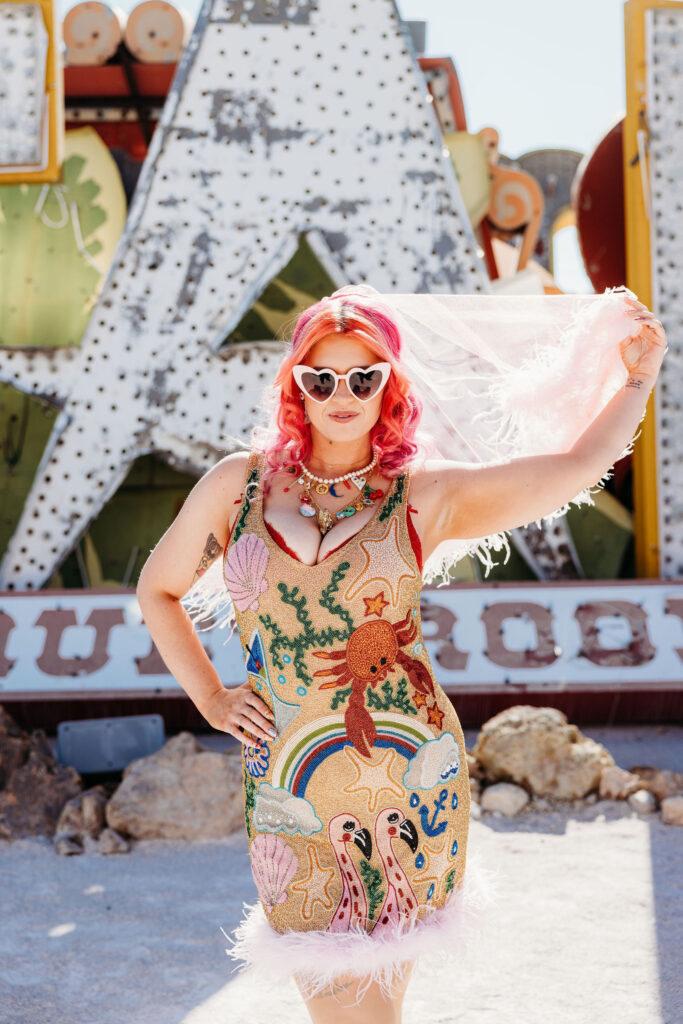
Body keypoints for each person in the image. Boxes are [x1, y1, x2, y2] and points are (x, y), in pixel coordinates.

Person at [136, 287, 666, 1023]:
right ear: (296, 384)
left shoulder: (420, 498)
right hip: (288, 782)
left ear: (390, 385)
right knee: (333, 1003)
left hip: (410, 776)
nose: (343, 394)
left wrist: (636, 380)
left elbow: (573, 467)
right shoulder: (238, 487)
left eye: (365, 376)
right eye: (322, 378)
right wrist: (213, 699)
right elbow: (157, 591)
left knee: (373, 1006)